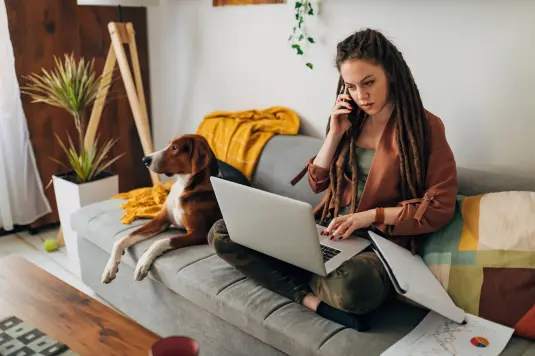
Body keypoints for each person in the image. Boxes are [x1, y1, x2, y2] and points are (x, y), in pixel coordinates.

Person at [207, 28, 458, 331]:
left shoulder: (425, 127)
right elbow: (317, 183)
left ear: (390, 73)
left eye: (369, 83)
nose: (361, 96)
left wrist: (367, 217)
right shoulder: (347, 120)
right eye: (351, 86)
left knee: (354, 288)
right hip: (327, 233)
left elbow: (440, 206)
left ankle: (292, 272)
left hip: (377, 246)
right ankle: (308, 298)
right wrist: (335, 134)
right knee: (223, 232)